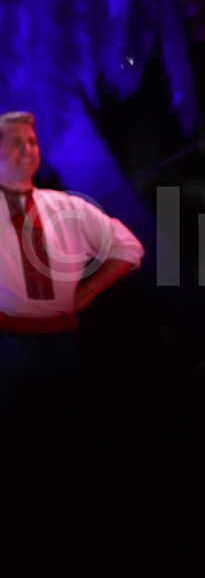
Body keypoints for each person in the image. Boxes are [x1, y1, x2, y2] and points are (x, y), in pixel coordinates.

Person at [0, 110, 144, 404]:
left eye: (32, 142)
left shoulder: (66, 206)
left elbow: (128, 247)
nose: (27, 150)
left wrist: (88, 291)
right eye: (16, 142)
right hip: (6, 342)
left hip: (62, 340)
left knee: (70, 420)